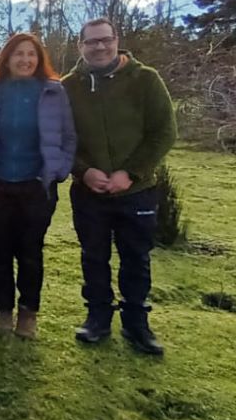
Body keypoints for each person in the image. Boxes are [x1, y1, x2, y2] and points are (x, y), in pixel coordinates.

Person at [62, 18, 176, 355]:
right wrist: (82, 171)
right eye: (91, 42)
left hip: (136, 191)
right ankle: (97, 317)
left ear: (116, 41)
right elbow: (60, 138)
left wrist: (132, 172)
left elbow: (164, 133)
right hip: (89, 192)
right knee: (93, 256)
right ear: (80, 46)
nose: (99, 47)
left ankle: (136, 323)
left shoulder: (146, 80)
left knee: (136, 257)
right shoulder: (69, 87)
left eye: (104, 40)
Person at [0, 33, 76, 339]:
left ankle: (28, 314)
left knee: (31, 253)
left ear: (39, 59)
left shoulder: (53, 91)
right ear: (7, 59)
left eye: (31, 54)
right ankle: (4, 312)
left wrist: (60, 169)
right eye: (18, 54)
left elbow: (69, 136)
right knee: (0, 251)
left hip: (36, 185)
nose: (25, 60)